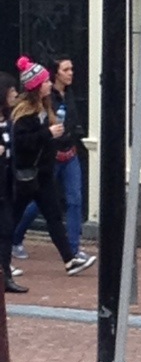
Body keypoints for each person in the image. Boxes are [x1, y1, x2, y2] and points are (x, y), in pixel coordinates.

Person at [11, 56, 95, 279]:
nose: (48, 83)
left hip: (45, 171)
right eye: (45, 81)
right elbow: (22, 141)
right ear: (38, 86)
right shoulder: (25, 112)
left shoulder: (45, 107)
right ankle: (7, 255)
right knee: (15, 215)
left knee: (54, 215)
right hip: (27, 174)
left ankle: (70, 259)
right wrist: (48, 134)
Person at [0, 74, 27, 293]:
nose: (15, 95)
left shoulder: (9, 121)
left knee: (7, 230)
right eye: (11, 92)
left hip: (6, 185)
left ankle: (5, 276)